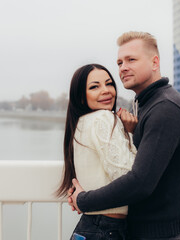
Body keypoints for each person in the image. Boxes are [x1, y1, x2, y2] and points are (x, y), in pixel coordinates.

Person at [68, 32, 180, 239]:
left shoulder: (165, 108)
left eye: (131, 60)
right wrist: (131, 133)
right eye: (119, 62)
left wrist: (83, 200)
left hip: (160, 234)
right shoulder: (146, 104)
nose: (123, 68)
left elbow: (140, 182)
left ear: (155, 63)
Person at [57, 63, 138, 240]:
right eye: (95, 87)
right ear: (81, 97)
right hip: (107, 229)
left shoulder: (81, 122)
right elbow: (127, 176)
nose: (106, 90)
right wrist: (131, 134)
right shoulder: (103, 118)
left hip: (90, 227)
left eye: (109, 84)